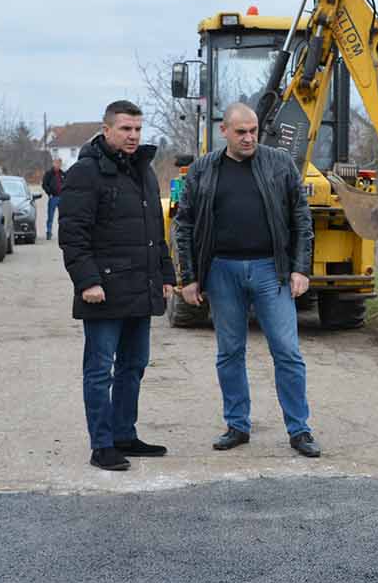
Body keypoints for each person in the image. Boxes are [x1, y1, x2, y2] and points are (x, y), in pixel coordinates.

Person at [173, 102, 320, 458]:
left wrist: (300, 268)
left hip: (272, 270)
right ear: (223, 131)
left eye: (253, 130)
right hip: (222, 271)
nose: (249, 138)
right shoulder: (203, 169)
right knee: (229, 352)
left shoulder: (280, 164)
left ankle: (299, 430)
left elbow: (302, 219)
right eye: (241, 132)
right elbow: (185, 224)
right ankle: (237, 425)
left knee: (287, 352)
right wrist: (189, 277)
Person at [59, 100, 175, 471]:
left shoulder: (143, 170)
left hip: (140, 287)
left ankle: (125, 434)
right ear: (106, 129)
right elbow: (73, 235)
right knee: (100, 369)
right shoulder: (85, 173)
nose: (133, 136)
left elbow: (155, 232)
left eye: (138, 129)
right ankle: (102, 444)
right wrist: (87, 281)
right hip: (103, 290)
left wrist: (166, 275)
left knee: (134, 365)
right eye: (126, 129)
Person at [41, 156, 65, 240]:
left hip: (62, 198)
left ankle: (63, 233)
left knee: (63, 217)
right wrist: (49, 193)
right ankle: (49, 232)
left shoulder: (63, 174)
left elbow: (66, 184)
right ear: (53, 163)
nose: (58, 165)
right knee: (50, 216)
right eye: (56, 163)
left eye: (59, 163)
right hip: (53, 197)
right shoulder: (48, 174)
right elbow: (44, 184)